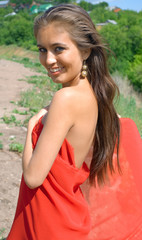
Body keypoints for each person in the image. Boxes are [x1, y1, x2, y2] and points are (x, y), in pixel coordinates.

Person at [7, 4, 120, 240]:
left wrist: (31, 127)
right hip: (62, 216)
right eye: (42, 49)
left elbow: (33, 177)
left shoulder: (65, 98)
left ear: (86, 51)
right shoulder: (91, 95)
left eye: (58, 48)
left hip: (47, 221)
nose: (48, 60)